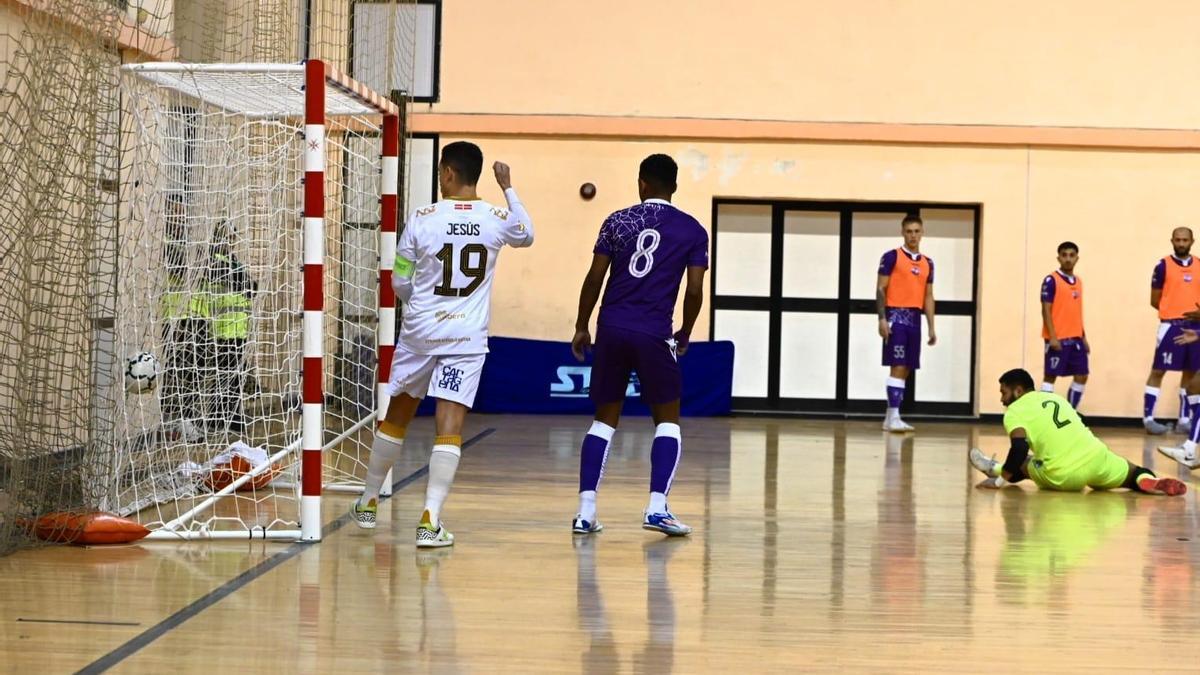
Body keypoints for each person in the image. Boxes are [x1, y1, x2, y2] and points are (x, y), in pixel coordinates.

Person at [350, 142, 534, 548]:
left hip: (420, 332)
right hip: (465, 339)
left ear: (448, 172)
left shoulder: (422, 217)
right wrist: (508, 188)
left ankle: (367, 501)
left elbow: (398, 278)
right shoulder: (496, 218)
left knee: (397, 415)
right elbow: (528, 234)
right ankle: (430, 520)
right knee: (448, 427)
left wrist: (417, 302)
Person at [568, 153, 708, 537]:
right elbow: (694, 290)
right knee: (668, 420)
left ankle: (585, 511)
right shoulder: (693, 230)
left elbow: (594, 278)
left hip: (612, 327)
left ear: (641, 183)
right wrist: (686, 331)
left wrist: (582, 325)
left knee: (603, 420)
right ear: (674, 187)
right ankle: (657, 508)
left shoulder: (617, 220)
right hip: (654, 332)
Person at [968, 368, 1186, 495]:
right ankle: (1148, 481)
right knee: (1132, 472)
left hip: (1064, 475)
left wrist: (1000, 481)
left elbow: (1019, 448)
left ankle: (992, 469)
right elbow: (1079, 421)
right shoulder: (1054, 398)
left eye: (1003, 393)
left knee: (1025, 463)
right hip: (1096, 456)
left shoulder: (1014, 411)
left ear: (1018, 390)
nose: (1001, 399)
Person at [876, 215, 937, 432]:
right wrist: (882, 318)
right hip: (896, 317)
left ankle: (891, 416)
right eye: (909, 231)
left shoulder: (927, 263)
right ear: (903, 232)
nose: (913, 235)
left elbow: (928, 295)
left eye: (917, 231)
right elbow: (881, 288)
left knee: (908, 367)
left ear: (922, 232)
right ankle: (894, 416)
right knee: (898, 365)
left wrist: (931, 326)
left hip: (914, 319)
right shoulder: (892, 257)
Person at [159, 194, 208, 442]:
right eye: (175, 212)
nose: (181, 217)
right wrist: (198, 260)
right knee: (178, 369)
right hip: (176, 316)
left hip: (197, 315)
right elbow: (185, 268)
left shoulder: (191, 243)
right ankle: (174, 419)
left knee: (194, 370)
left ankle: (187, 418)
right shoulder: (166, 242)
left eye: (183, 212)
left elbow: (205, 266)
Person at [1141, 227, 1200, 435]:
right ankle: (1148, 419)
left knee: (1191, 372)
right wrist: (1173, 311)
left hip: (1196, 327)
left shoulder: (1199, 265)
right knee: (1158, 370)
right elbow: (1154, 299)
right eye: (1178, 240)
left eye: (1185, 240)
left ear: (1192, 241)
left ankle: (1184, 419)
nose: (1181, 243)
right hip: (1170, 325)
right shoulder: (1163, 265)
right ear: (1172, 241)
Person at [206, 220, 256, 434]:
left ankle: (232, 415)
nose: (229, 242)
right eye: (226, 237)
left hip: (238, 329)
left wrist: (242, 280)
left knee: (235, 374)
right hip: (222, 328)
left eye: (231, 238)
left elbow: (251, 287)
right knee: (223, 374)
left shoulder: (233, 261)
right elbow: (238, 280)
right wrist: (241, 279)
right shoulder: (214, 261)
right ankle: (219, 418)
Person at [1039, 241, 1089, 409]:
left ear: (1077, 258)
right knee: (1050, 375)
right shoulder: (1051, 280)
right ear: (1058, 258)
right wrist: (1052, 336)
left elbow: (1076, 311)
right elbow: (1046, 309)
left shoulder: (1079, 282)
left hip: (1075, 338)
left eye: (1072, 255)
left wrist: (1084, 337)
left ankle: (1071, 412)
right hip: (1057, 338)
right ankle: (1044, 415)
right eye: (1064, 255)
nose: (1068, 259)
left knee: (1082, 375)